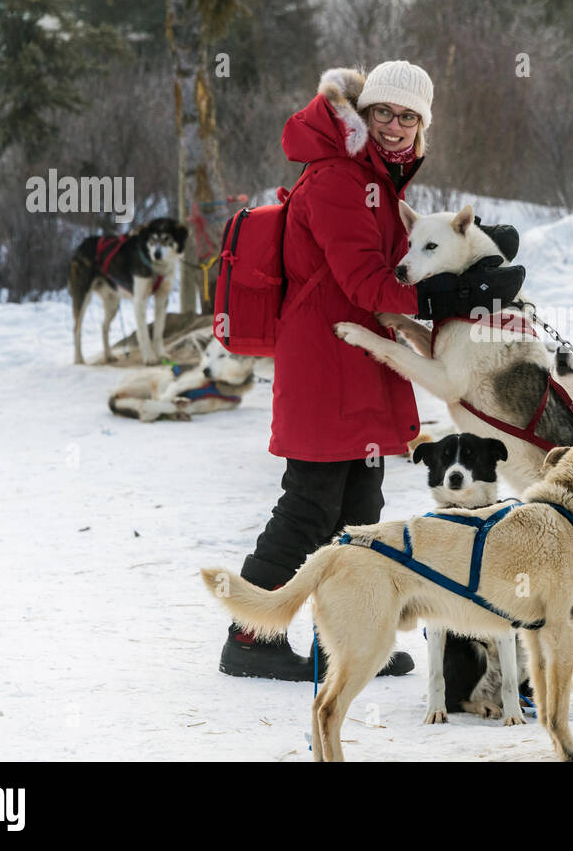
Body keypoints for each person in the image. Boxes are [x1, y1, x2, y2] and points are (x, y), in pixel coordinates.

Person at [220, 61, 524, 680]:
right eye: (382, 112)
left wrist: (474, 251)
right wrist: (451, 299)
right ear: (362, 115)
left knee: (358, 508)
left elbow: (399, 258)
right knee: (309, 506)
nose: (393, 125)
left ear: (422, 127)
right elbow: (364, 280)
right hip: (325, 363)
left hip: (354, 360)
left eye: (408, 117)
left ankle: (348, 641)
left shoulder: (376, 181)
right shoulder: (338, 178)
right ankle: (249, 638)